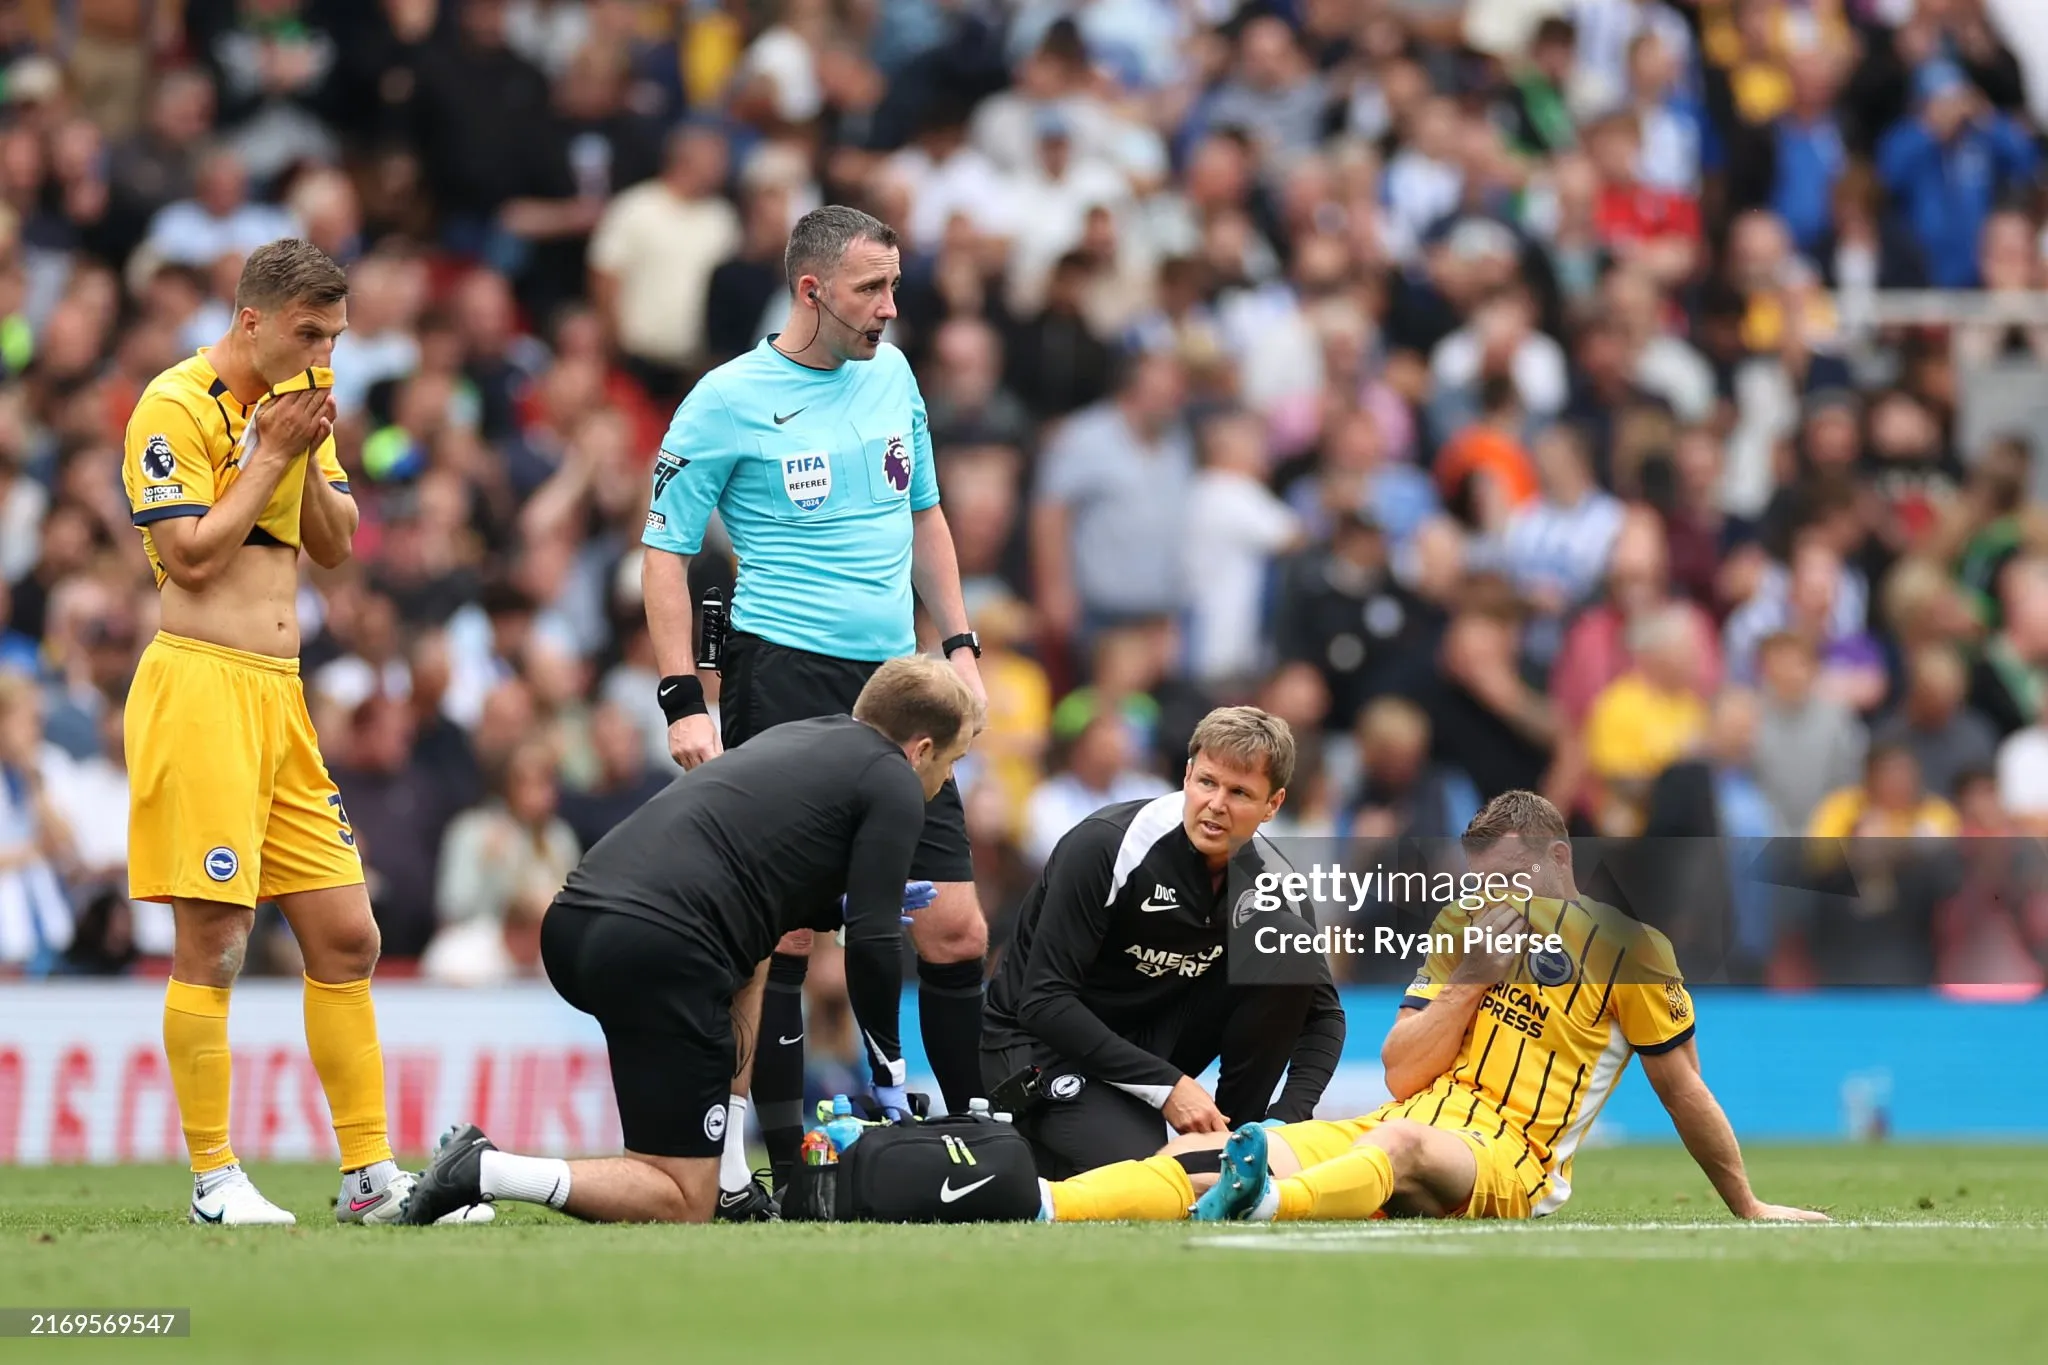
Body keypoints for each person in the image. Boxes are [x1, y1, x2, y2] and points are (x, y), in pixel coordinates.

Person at [120, 239, 484, 1227]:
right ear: (252, 320)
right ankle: (212, 1179)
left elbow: (333, 546)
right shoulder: (175, 406)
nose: (324, 354)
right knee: (217, 938)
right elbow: (188, 557)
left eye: (334, 337)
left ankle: (370, 1179)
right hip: (199, 687)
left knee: (347, 933)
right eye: (309, 333)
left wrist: (314, 452)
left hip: (281, 697)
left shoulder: (304, 401)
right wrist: (273, 454)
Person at [639, 204, 989, 1202]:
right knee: (791, 933)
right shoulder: (726, 399)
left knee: (956, 927)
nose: (889, 308)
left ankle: (973, 1143)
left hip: (901, 683)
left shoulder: (895, 372)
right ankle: (786, 1170)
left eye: (893, 286)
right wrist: (683, 701)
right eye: (871, 289)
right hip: (781, 673)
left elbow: (924, 510)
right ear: (811, 292)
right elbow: (663, 552)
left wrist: (959, 645)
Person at [1039, 791, 1825, 1226]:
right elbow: (1402, 1067)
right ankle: (1048, 1205)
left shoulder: (1632, 949)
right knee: (1222, 1147)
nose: (1495, 893)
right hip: (1406, 1119)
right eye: (1484, 877)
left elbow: (1683, 1087)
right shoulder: (1464, 927)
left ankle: (1267, 1204)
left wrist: (1746, 1202)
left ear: (1560, 860)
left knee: (1404, 1142)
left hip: (1509, 1159)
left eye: (1511, 875)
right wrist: (1471, 979)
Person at [397, 657, 980, 1226]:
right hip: (663, 947)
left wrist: (837, 907)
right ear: (922, 748)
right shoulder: (896, 779)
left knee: (756, 946)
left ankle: (728, 1178)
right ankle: (489, 1170)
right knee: (678, 1196)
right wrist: (889, 1078)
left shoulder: (806, 736)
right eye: (952, 760)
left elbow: (762, 876)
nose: (948, 778)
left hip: (578, 921)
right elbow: (875, 944)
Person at [982, 707, 1346, 1178]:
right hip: (1039, 1045)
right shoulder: (1107, 845)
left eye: (1239, 793)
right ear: (1187, 773)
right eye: (1207, 783)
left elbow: (1324, 1017)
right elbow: (1043, 1002)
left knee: (1284, 943)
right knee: (1144, 1178)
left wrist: (1287, 1122)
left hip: (1149, 1041)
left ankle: (1240, 1140)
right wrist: (1168, 1086)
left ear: (1273, 804)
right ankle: (1014, 1143)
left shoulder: (1276, 883)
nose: (1216, 804)